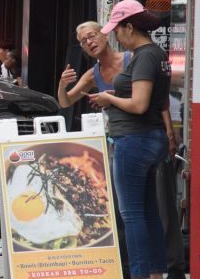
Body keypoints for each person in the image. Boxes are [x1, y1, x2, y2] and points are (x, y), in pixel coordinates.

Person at [57, 21, 185, 278]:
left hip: (141, 140)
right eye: (83, 41)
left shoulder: (133, 59)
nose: (89, 42)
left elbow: (156, 99)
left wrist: (169, 132)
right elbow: (65, 101)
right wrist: (62, 84)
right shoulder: (93, 73)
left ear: (105, 34)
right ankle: (155, 272)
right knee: (145, 210)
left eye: (92, 35)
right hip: (125, 141)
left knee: (140, 212)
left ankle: (150, 271)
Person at [89, 0, 171, 279]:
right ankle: (156, 273)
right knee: (147, 211)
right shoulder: (155, 54)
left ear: (130, 27)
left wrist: (108, 98)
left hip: (134, 140)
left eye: (117, 30)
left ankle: (139, 274)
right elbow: (153, 102)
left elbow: (139, 104)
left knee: (132, 214)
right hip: (149, 138)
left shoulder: (145, 56)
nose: (116, 36)